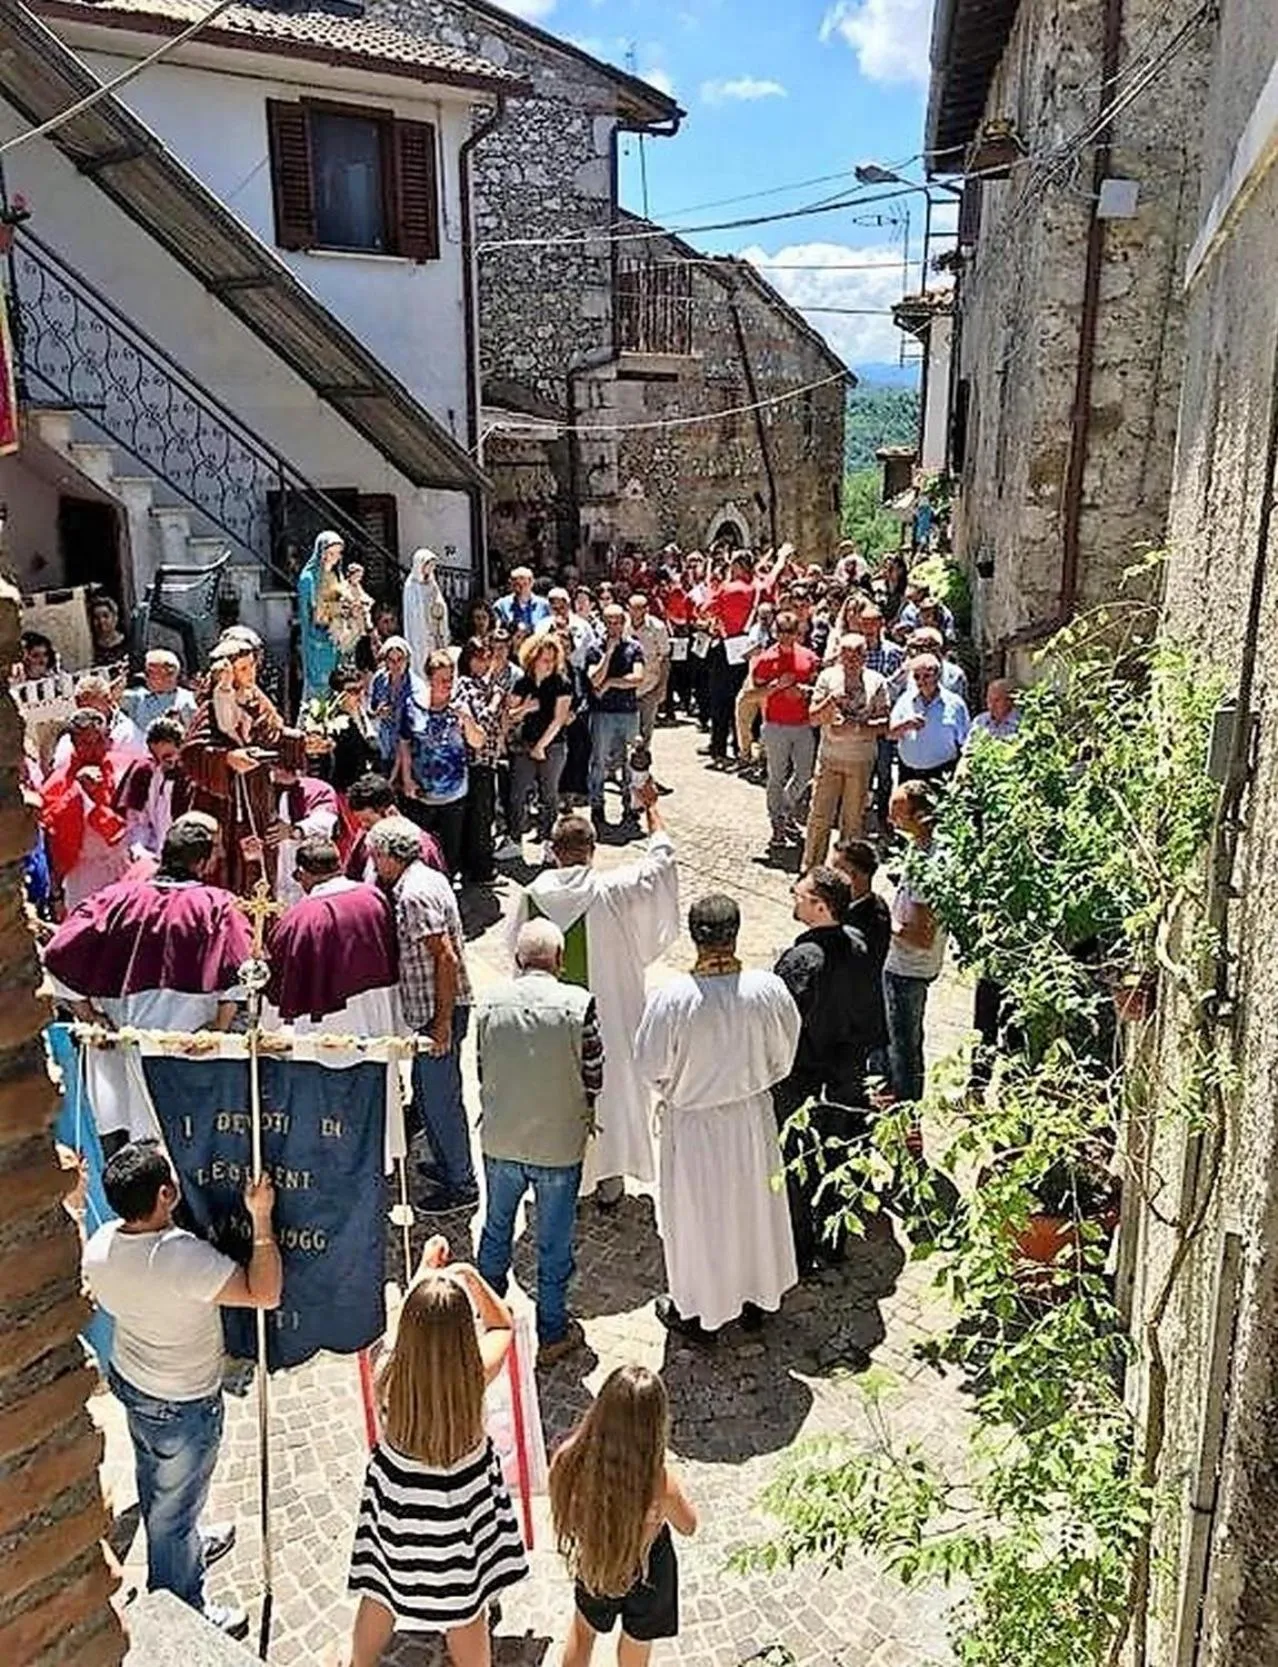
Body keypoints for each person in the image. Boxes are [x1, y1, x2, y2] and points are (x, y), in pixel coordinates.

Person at [83, 1141, 282, 1636]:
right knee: (173, 1505)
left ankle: (184, 1546)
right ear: (167, 1193)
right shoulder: (181, 1258)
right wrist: (260, 1219)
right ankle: (182, 1607)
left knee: (160, 1486)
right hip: (181, 1401)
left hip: (134, 1382)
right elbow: (265, 1292)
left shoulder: (100, 1245)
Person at [345, 1259, 527, 1667]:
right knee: (465, 1610)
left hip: (399, 1509)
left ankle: (359, 1662)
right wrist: (471, 1278)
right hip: (458, 1516)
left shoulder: (387, 1374)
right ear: (465, 1334)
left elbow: (410, 1324)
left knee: (379, 1591)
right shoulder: (475, 1375)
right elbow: (502, 1325)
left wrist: (425, 1274)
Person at [635, 893, 801, 1338]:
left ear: (694, 937)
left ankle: (699, 1310)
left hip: (694, 1127)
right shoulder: (768, 990)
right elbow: (786, 1052)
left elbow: (649, 1065)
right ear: (736, 932)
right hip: (750, 1120)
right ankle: (754, 1298)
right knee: (751, 1209)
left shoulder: (672, 999)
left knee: (699, 1219)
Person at [509, 796, 678, 1208]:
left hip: (550, 1023)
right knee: (611, 1089)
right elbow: (661, 866)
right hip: (609, 1018)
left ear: (552, 850)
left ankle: (565, 1182)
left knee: (557, 1094)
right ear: (593, 850)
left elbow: (513, 952)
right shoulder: (612, 890)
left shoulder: (531, 897)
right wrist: (651, 809)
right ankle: (611, 1179)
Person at [44, 813, 251, 1146]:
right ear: (202, 861)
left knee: (134, 1143)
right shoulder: (217, 905)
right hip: (189, 1044)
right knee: (184, 1141)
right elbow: (242, 970)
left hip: (124, 1038)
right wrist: (220, 1026)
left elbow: (57, 954)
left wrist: (88, 1014)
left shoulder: (114, 900)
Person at [475, 919, 604, 1367]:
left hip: (502, 1137)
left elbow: (481, 1065)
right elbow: (595, 1072)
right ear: (560, 960)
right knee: (553, 1242)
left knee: (495, 1228)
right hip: (558, 1144)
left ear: (517, 959)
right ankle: (552, 1331)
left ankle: (486, 1314)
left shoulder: (488, 1002)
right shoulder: (578, 1004)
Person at [773, 867, 884, 1273]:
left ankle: (800, 1250)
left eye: (798, 894)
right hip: (847, 1076)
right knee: (839, 1157)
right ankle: (834, 1241)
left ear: (820, 906)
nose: (793, 898)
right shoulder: (858, 944)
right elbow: (872, 1011)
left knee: (798, 1165)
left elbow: (779, 1025)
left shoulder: (802, 961)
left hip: (803, 1081)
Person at [551, 1366, 698, 1667]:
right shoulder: (658, 1482)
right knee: (636, 1644)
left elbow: (562, 1505)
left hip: (598, 1555)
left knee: (583, 1633)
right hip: (649, 1570)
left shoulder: (570, 1457)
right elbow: (689, 1525)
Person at [368, 818, 478, 1212]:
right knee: (430, 1094)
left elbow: (444, 956)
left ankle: (461, 1182)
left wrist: (442, 1022)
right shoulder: (425, 879)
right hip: (431, 1011)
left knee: (439, 1098)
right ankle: (449, 1163)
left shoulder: (413, 894)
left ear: (387, 856)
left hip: (438, 1012)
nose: (374, 866)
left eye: (375, 857)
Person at [181, 637, 308, 895]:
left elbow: (274, 734)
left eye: (252, 666)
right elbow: (193, 753)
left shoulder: (258, 700)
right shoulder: (211, 707)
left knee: (260, 867)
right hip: (224, 803)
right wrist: (226, 759)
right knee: (227, 865)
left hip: (258, 793)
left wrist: (302, 741)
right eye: (242, 668)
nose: (250, 674)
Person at [265, 836, 400, 1041]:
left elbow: (280, 977)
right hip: (377, 1012)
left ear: (302, 873)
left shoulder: (300, 918)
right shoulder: (374, 896)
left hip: (330, 1025)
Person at [883, 782, 947, 1104]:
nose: (890, 817)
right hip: (908, 966)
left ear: (921, 815)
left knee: (904, 1049)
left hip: (908, 968)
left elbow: (922, 936)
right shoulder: (922, 847)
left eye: (898, 811)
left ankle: (908, 1119)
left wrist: (886, 925)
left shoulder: (929, 865)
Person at [804, 633, 891, 868]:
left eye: (857, 654)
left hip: (860, 762)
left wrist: (858, 727)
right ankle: (811, 870)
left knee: (853, 823)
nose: (851, 660)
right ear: (840, 655)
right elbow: (812, 718)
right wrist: (831, 701)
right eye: (846, 654)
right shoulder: (827, 677)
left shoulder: (877, 681)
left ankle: (845, 874)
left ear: (865, 656)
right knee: (819, 817)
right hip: (829, 759)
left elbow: (885, 723)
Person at [399, 650, 485, 878]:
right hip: (421, 791)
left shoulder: (461, 704)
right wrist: (406, 778)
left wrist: (467, 719)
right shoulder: (412, 705)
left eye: (451, 679)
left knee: (450, 850)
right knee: (421, 849)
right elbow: (405, 743)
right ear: (429, 679)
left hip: (454, 793)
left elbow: (478, 742)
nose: (448, 685)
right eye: (442, 680)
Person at [40, 709, 135, 910]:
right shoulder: (58, 782)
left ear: (108, 739)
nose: (93, 750)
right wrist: (79, 793)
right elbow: (52, 838)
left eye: (99, 741)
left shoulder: (124, 768)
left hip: (123, 868)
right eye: (85, 743)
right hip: (83, 876)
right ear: (73, 744)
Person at [751, 609, 820, 850]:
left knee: (805, 773)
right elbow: (752, 694)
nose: (786, 637)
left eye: (790, 632)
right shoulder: (765, 660)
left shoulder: (809, 657)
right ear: (775, 631)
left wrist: (804, 691)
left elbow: (816, 688)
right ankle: (777, 823)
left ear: (798, 632)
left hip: (802, 724)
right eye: (781, 631)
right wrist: (777, 687)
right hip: (776, 726)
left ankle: (785, 809)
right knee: (776, 776)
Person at [507, 629, 574, 849]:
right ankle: (515, 839)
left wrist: (541, 746)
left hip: (552, 746)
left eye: (553, 660)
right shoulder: (522, 683)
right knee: (517, 794)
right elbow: (509, 716)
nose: (549, 664)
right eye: (545, 659)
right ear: (533, 658)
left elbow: (559, 719)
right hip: (524, 744)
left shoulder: (562, 683)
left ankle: (548, 842)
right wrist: (525, 709)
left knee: (549, 796)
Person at [585, 604, 645, 834]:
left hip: (628, 712)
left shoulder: (634, 648)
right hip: (603, 713)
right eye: (609, 622)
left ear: (624, 622)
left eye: (618, 621)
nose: (613, 627)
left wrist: (610, 682)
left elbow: (637, 678)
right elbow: (593, 679)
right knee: (599, 761)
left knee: (631, 761)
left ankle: (629, 805)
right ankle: (597, 805)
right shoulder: (595, 648)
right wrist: (608, 655)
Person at [455, 637, 506, 885]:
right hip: (474, 760)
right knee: (479, 817)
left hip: (490, 759)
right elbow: (479, 723)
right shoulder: (465, 685)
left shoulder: (491, 685)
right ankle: (480, 871)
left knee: (483, 815)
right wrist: (495, 701)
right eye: (478, 657)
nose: (484, 662)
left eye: (487, 656)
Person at [701, 553, 756, 762]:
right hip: (749, 648)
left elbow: (704, 610)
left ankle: (718, 746)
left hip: (726, 646)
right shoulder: (756, 588)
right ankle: (741, 746)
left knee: (720, 699)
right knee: (742, 699)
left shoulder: (727, 588)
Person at [116, 715, 193, 862]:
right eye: (157, 757)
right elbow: (137, 821)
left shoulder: (193, 777)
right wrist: (141, 849)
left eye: (169, 756)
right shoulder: (145, 772)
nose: (163, 764)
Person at [263, 760, 340, 908]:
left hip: (306, 872)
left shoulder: (318, 789)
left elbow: (326, 820)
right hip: (269, 871)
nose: (285, 771)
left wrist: (295, 831)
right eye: (277, 766)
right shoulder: (256, 790)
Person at [344, 774, 445, 882]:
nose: (363, 826)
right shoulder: (364, 836)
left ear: (390, 812)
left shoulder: (423, 846)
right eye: (360, 821)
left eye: (367, 820)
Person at [888, 654, 970, 785]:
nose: (921, 681)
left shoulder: (955, 703)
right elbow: (890, 734)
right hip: (909, 773)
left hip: (942, 773)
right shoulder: (905, 700)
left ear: (937, 676)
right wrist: (906, 725)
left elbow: (966, 742)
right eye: (916, 677)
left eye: (926, 676)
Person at [51, 674, 143, 768]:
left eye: (93, 708)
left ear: (108, 700)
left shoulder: (128, 733)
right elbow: (60, 766)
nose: (87, 714)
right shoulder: (70, 734)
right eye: (82, 708)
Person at [296, 530, 346, 703]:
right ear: (321, 552)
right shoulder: (308, 579)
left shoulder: (337, 576)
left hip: (336, 639)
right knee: (319, 689)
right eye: (330, 553)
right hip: (317, 639)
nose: (335, 557)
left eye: (338, 553)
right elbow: (310, 614)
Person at [325, 667, 382, 794]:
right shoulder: (333, 723)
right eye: (352, 691)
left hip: (365, 788)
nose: (359, 695)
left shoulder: (361, 713)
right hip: (345, 790)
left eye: (360, 689)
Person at [629, 594, 670, 748]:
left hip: (649, 685)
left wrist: (662, 687)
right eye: (633, 608)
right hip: (627, 686)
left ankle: (641, 766)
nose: (636, 612)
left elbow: (665, 658)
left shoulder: (657, 627)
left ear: (646, 609)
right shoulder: (623, 625)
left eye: (640, 608)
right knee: (628, 730)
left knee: (646, 730)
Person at [121, 649, 197, 734]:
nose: (146, 677)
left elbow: (191, 732)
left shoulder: (186, 700)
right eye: (147, 672)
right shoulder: (137, 697)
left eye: (151, 672)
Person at [402, 547, 452, 664]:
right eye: (429, 565)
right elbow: (413, 611)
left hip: (434, 626)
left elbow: (439, 601)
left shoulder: (432, 583)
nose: (431, 568)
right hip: (420, 630)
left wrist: (439, 609)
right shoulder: (411, 586)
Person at [494, 565, 552, 634]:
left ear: (531, 582)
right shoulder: (501, 605)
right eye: (516, 583)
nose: (520, 588)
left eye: (524, 583)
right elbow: (496, 629)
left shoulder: (544, 605)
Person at [970, 678, 1020, 742]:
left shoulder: (1020, 723)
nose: (991, 705)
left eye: (996, 700)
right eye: (989, 700)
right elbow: (968, 746)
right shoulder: (980, 721)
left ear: (1009, 701)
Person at [88, 591, 129, 662]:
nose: (101, 621)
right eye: (96, 617)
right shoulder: (91, 647)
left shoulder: (128, 642)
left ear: (115, 618)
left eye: (105, 616)